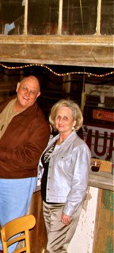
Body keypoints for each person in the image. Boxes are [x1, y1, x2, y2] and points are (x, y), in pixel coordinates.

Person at [0, 75, 50, 252]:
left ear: (38, 95)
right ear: (17, 87)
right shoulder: (6, 103)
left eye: (32, 92)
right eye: (25, 88)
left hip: (16, 180)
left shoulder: (39, 124)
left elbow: (30, 157)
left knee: (11, 229)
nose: (27, 94)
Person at [38, 99, 90, 252]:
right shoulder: (53, 141)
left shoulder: (79, 147)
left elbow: (80, 183)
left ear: (74, 122)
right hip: (48, 202)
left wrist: (69, 210)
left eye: (65, 118)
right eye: (58, 117)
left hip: (62, 205)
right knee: (58, 248)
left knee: (52, 248)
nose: (60, 121)